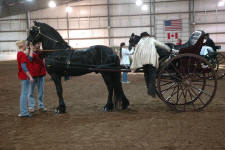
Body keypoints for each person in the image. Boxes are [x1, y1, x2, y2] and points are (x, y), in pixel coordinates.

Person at [131, 32, 170, 97]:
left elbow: (136, 51)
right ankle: (151, 91)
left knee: (146, 74)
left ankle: (149, 89)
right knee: (152, 75)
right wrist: (168, 49)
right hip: (151, 60)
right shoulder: (151, 40)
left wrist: (136, 63)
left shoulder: (140, 42)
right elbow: (161, 45)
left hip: (143, 62)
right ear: (147, 36)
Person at [28, 42, 47, 112]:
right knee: (31, 92)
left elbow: (44, 60)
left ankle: (41, 106)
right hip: (33, 75)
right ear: (33, 45)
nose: (39, 45)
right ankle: (31, 107)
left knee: (41, 91)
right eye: (37, 44)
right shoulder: (30, 52)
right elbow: (30, 59)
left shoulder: (41, 52)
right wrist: (31, 49)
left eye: (39, 44)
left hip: (41, 74)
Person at [16, 40, 33, 117]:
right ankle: (24, 112)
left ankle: (23, 111)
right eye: (25, 45)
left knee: (24, 94)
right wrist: (30, 76)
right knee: (24, 94)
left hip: (23, 76)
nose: (26, 46)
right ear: (23, 46)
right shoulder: (22, 54)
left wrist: (31, 50)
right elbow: (24, 66)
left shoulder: (20, 53)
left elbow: (29, 59)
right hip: (25, 76)